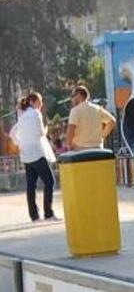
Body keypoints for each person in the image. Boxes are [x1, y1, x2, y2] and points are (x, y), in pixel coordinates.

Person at [10, 93, 58, 222]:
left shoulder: (22, 116)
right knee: (50, 182)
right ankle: (48, 213)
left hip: (26, 155)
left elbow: (12, 133)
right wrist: (46, 130)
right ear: (33, 101)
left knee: (31, 186)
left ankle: (34, 215)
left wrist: (19, 143)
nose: (41, 105)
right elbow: (40, 133)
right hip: (37, 153)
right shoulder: (36, 113)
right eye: (40, 101)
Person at [66, 86, 116, 151]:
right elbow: (112, 121)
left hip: (81, 150)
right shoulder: (98, 108)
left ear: (79, 95)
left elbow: (71, 130)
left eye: (72, 96)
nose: (72, 99)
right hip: (98, 149)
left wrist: (69, 145)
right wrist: (102, 136)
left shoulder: (75, 110)